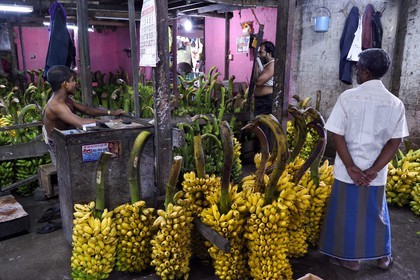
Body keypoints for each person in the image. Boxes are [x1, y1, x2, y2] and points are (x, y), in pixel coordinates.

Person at [318, 48, 409, 272]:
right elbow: (394, 142)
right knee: (376, 213)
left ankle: (351, 260)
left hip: (348, 170)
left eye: (358, 67)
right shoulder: (395, 103)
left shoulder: (348, 97)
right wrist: (374, 170)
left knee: (347, 214)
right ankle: (382, 258)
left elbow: (336, 133)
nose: (357, 71)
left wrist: (350, 166)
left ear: (365, 71)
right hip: (374, 175)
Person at [43, 65, 124, 164]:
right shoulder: (55, 106)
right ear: (65, 84)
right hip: (59, 146)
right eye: (72, 80)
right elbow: (81, 123)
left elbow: (86, 110)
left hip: (69, 139)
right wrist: (111, 122)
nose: (75, 83)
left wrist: (111, 112)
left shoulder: (66, 99)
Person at [253, 41, 275, 143]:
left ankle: (265, 155)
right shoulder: (266, 65)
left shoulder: (272, 65)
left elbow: (258, 82)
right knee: (259, 129)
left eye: (261, 52)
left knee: (263, 130)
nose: (259, 55)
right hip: (260, 101)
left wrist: (256, 65)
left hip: (266, 101)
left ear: (269, 53)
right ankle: (260, 154)